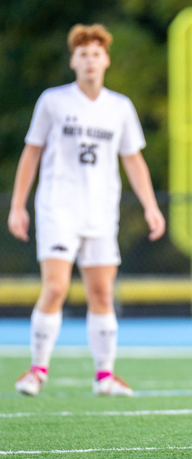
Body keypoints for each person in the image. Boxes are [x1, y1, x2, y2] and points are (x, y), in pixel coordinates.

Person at [9, 24, 166, 397]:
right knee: (57, 287)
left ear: (106, 60)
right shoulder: (53, 101)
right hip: (57, 209)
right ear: (73, 61)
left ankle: (104, 377)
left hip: (100, 213)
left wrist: (150, 207)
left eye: (96, 54)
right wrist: (18, 205)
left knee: (101, 293)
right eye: (83, 54)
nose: (90, 60)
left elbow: (133, 161)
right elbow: (31, 154)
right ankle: (36, 370)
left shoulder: (119, 107)